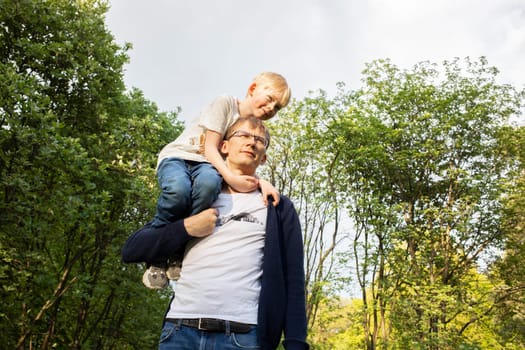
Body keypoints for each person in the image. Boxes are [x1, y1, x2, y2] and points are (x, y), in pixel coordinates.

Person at [122, 117, 309, 350]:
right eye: (243, 135)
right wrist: (187, 227)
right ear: (224, 146)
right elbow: (132, 249)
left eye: (259, 140)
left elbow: (293, 279)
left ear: (264, 157)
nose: (251, 142)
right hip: (180, 331)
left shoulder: (277, 207)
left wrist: (295, 343)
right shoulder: (195, 197)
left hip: (244, 336)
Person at [144, 72, 292, 289]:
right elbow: (210, 147)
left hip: (206, 167)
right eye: (270, 99)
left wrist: (261, 182)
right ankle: (156, 254)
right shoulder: (225, 104)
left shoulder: (249, 129)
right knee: (178, 191)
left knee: (209, 186)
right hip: (181, 157)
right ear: (252, 89)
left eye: (277, 107)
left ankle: (178, 250)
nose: (271, 109)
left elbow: (237, 163)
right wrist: (230, 176)